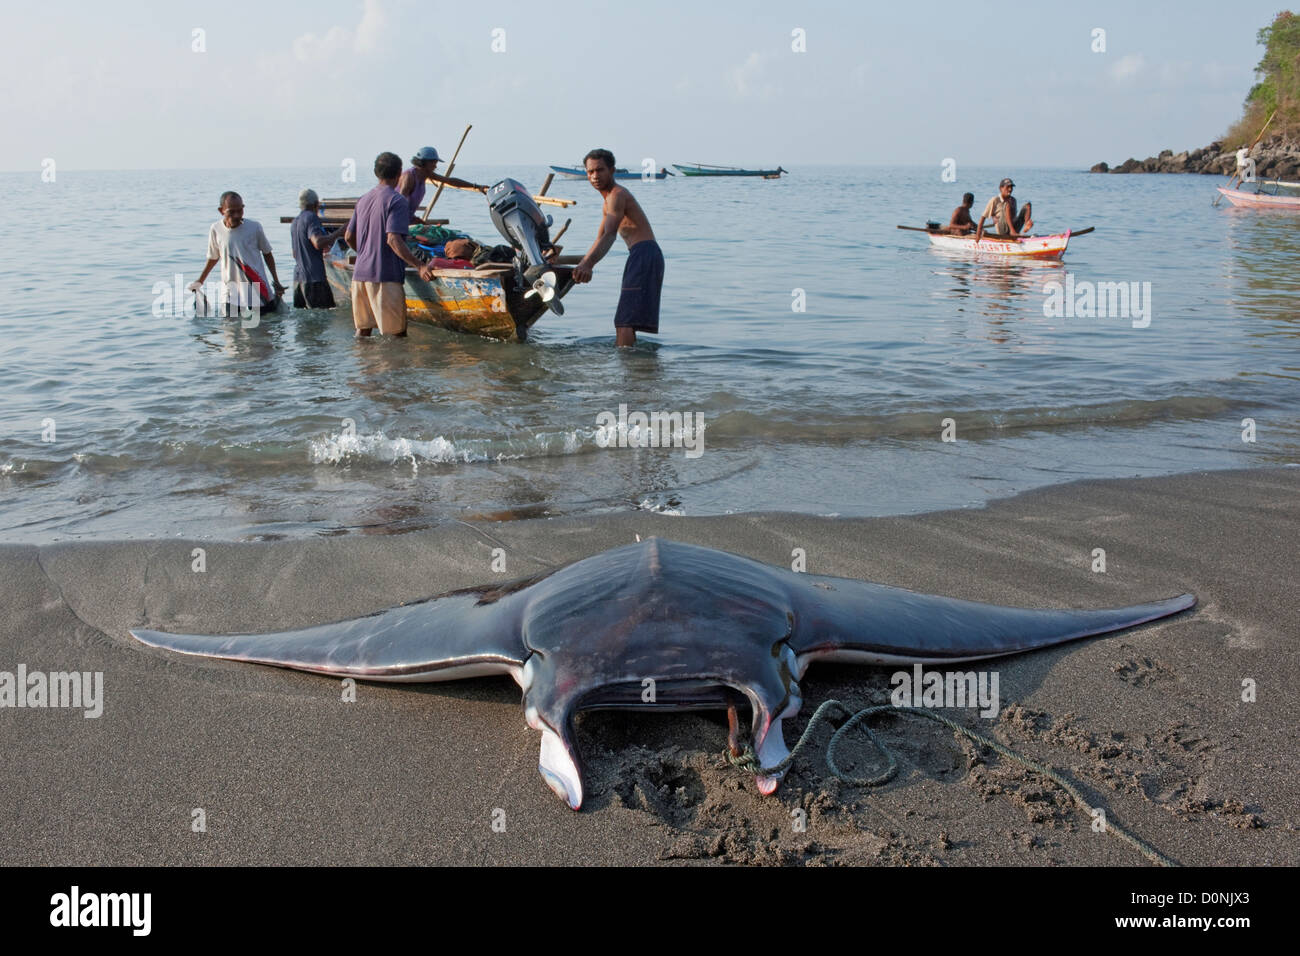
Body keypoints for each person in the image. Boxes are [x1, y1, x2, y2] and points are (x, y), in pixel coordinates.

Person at [572, 148, 664, 347]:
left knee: (624, 322)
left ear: (612, 170)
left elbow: (609, 235)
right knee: (626, 321)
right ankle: (634, 369)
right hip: (641, 255)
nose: (595, 176)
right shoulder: (607, 202)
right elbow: (599, 240)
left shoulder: (617, 195)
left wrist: (587, 265)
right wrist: (574, 263)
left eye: (600, 170)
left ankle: (628, 370)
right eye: (590, 172)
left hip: (644, 254)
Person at [344, 152, 437, 337]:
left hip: (359, 277)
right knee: (396, 337)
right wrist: (419, 265)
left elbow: (348, 236)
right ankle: (394, 367)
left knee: (363, 332)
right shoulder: (397, 200)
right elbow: (393, 239)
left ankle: (363, 366)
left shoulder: (362, 200)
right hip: (384, 277)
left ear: (376, 173)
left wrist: (365, 253)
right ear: (399, 173)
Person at [192, 191, 285, 316]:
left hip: (257, 291)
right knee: (230, 331)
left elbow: (267, 254)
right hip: (230, 294)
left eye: (240, 210)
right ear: (221, 211)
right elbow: (213, 257)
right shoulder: (216, 229)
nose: (236, 215)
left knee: (262, 332)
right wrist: (200, 280)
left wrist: (276, 281)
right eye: (231, 211)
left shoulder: (254, 228)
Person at [397, 146, 488, 223]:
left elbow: (450, 181)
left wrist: (476, 186)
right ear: (424, 162)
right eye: (433, 163)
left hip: (407, 219)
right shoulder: (409, 176)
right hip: (397, 220)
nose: (435, 166)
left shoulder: (426, 174)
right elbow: (399, 204)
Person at [290, 188, 343, 308]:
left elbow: (295, 253)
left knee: (305, 323)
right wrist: (338, 232)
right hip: (314, 280)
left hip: (298, 281)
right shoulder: (311, 218)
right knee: (322, 319)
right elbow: (318, 242)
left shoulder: (295, 222)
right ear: (316, 204)